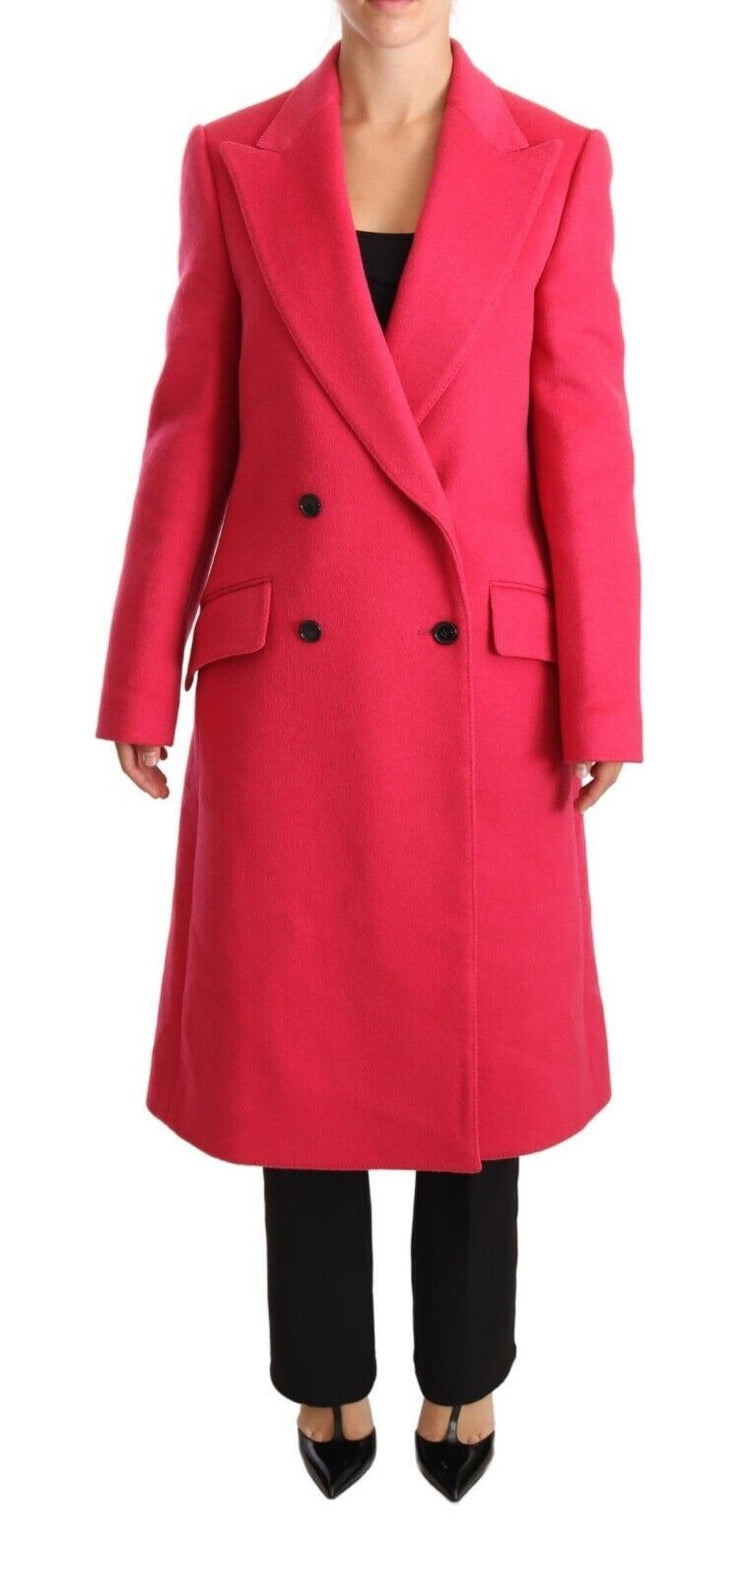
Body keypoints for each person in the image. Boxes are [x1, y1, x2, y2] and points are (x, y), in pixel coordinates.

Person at [96, 0, 642, 1502]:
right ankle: (326, 1368)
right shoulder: (233, 159)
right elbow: (191, 427)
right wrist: (139, 671)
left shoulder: (558, 162)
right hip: (294, 677)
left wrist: (604, 694)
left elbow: (584, 438)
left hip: (484, 687)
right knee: (303, 1035)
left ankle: (463, 1370)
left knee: (476, 1041)